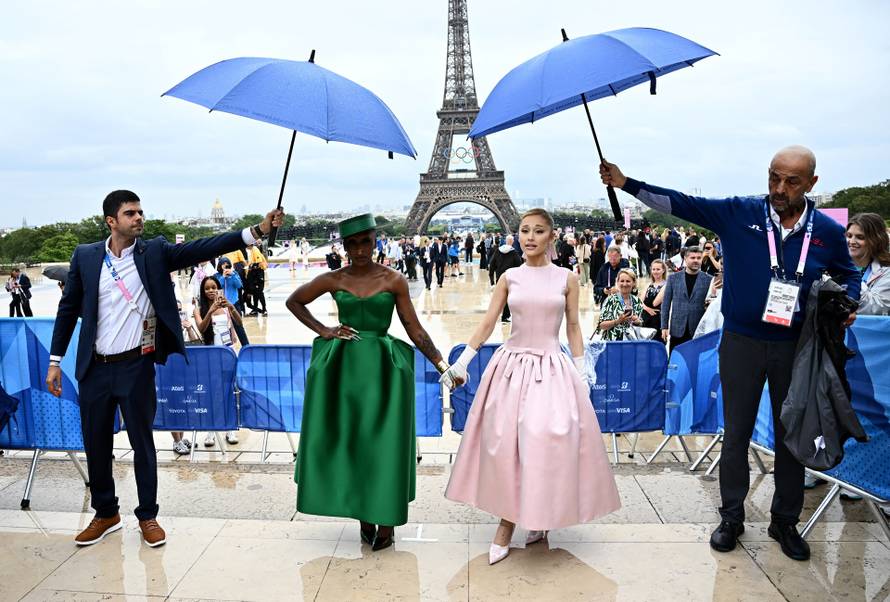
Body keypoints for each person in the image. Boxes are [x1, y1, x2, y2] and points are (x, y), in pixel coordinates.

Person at [600, 145, 860, 561]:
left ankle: (784, 521)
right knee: (735, 432)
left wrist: (849, 302)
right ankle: (732, 516)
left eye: (791, 181)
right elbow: (683, 203)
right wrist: (626, 183)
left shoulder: (826, 231)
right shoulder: (740, 213)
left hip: (794, 346)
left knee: (790, 433)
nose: (779, 188)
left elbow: (850, 275)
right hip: (740, 343)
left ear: (812, 183)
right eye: (773, 177)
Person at [45, 189, 283, 548]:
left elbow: (203, 247)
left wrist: (256, 230)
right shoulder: (86, 257)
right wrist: (55, 361)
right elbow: (68, 310)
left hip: (135, 365)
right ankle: (106, 513)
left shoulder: (153, 251)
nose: (139, 218)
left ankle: (148, 516)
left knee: (143, 444)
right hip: (95, 366)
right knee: (95, 443)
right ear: (111, 221)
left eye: (140, 212)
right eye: (130, 214)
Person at [441, 208, 620, 565]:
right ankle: (507, 525)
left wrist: (582, 369)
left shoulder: (567, 278)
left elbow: (572, 326)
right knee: (510, 445)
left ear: (551, 237)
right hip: (511, 368)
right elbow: (490, 322)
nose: (530, 237)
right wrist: (462, 360)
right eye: (524, 230)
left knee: (545, 443)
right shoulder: (509, 276)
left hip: (552, 367)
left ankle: (538, 518)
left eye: (538, 231)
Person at [285, 213, 452, 551]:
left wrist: (441, 364)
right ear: (344, 246)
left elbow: (413, 328)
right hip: (345, 371)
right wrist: (325, 331)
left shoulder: (394, 280)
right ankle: (364, 514)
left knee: (384, 445)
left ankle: (386, 520)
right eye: (352, 243)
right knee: (354, 444)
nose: (359, 250)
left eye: (365, 242)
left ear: (375, 241)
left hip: (383, 373)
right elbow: (294, 302)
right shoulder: (333, 278)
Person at [193, 275, 242, 447]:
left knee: (229, 392)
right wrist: (211, 310)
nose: (211, 291)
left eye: (214, 287)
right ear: (203, 291)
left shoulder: (226, 306)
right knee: (212, 394)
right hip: (210, 357)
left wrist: (231, 307)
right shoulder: (199, 309)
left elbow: (239, 322)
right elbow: (201, 327)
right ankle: (210, 432)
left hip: (228, 354)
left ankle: (230, 429)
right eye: (207, 288)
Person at [660, 246, 713, 352]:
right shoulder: (673, 278)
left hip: (698, 329)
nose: (696, 261)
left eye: (699, 258)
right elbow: (665, 304)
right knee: (676, 362)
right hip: (677, 328)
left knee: (695, 363)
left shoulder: (709, 280)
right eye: (693, 258)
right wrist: (664, 326)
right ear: (685, 258)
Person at [846, 213, 890, 315]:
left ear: (876, 240)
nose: (851, 241)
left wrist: (849, 277)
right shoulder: (832, 264)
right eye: (849, 236)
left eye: (860, 237)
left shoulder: (886, 270)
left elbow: (877, 308)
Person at [596, 268, 644, 341]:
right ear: (617, 282)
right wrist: (618, 321)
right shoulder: (610, 300)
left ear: (633, 283)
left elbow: (641, 324)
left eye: (628, 281)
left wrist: (637, 321)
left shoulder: (637, 301)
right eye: (622, 281)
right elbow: (601, 325)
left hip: (632, 344)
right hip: (613, 344)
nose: (624, 284)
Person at [213, 259, 250, 346]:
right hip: (221, 306)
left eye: (227, 265)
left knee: (239, 327)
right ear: (220, 265)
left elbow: (239, 285)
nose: (225, 267)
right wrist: (223, 277)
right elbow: (217, 287)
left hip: (234, 304)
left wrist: (232, 275)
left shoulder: (235, 274)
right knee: (223, 328)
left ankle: (246, 346)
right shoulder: (216, 275)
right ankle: (227, 348)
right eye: (223, 265)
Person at [487, 235, 523, 323]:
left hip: (500, 277)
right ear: (512, 242)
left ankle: (497, 315)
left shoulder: (498, 251)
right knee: (509, 297)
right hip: (511, 277)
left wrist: (492, 280)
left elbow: (492, 265)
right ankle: (506, 316)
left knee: (500, 297)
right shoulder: (514, 253)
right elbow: (519, 265)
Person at [642, 259, 669, 337]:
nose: (655, 271)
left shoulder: (666, 285)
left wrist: (645, 305)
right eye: (653, 269)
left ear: (663, 270)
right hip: (645, 317)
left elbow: (655, 303)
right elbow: (639, 302)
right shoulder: (648, 284)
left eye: (658, 269)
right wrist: (647, 309)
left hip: (658, 318)